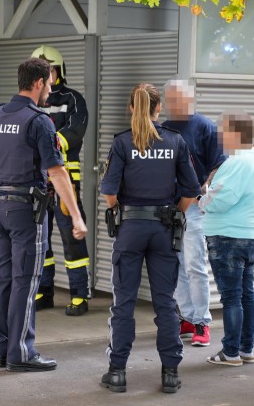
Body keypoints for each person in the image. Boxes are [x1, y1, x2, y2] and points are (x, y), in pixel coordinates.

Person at [0, 57, 87, 372]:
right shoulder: (39, 121)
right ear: (38, 84)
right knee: (25, 281)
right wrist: (76, 216)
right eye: (48, 83)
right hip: (26, 211)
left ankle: (3, 350)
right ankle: (21, 353)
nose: (50, 89)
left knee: (5, 281)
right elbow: (58, 173)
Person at [99, 83, 200, 393]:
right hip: (164, 229)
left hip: (130, 229)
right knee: (165, 305)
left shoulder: (122, 143)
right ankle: (170, 374)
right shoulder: (175, 141)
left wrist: (125, 212)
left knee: (124, 303)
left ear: (132, 108)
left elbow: (109, 193)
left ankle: (117, 373)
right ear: (159, 110)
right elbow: (192, 191)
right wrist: (175, 213)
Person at [198, 111, 254, 367]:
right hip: (251, 235)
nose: (219, 136)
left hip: (228, 238)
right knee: (246, 295)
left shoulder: (237, 161)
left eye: (223, 131)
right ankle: (245, 348)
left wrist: (202, 198)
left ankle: (230, 353)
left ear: (236, 134)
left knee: (231, 297)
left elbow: (220, 199)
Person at [162, 78, 226, 347]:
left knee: (195, 265)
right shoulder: (163, 127)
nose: (172, 104)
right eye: (169, 99)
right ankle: (186, 317)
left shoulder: (205, 127)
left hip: (194, 209)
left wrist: (203, 186)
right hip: (169, 207)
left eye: (177, 99)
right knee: (175, 266)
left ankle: (202, 321)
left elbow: (219, 163)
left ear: (190, 99)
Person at [30, 45, 91, 316]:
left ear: (59, 70)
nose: (47, 74)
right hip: (38, 181)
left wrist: (46, 143)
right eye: (41, 69)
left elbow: (74, 133)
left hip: (66, 182)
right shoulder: (32, 101)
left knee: (72, 237)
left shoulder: (74, 99)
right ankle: (44, 291)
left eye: (50, 69)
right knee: (40, 239)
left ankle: (80, 294)